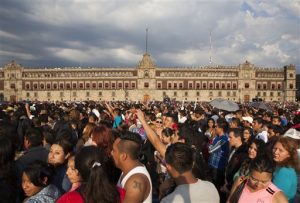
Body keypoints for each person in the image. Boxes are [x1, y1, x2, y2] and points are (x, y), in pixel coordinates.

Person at [57, 146, 122, 203]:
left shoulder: (68, 199)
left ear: (77, 171)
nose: (67, 172)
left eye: (72, 168)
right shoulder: (121, 194)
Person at [111, 131, 152, 203]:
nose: (111, 153)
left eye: (114, 150)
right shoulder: (127, 169)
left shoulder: (136, 181)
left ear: (123, 156)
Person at [272, 137, 298, 203]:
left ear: (289, 154)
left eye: (281, 150)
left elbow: (276, 197)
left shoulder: (285, 171)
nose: (275, 152)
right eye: (275, 148)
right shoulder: (279, 165)